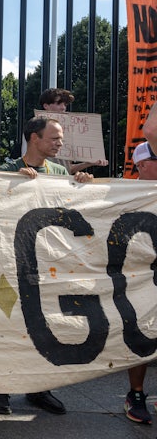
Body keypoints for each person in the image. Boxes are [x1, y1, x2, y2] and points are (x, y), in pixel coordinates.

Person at [0, 116, 92, 416]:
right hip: (9, 261)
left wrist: (83, 185)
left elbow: (72, 205)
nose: (60, 143)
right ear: (34, 138)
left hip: (46, 262)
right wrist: (11, 182)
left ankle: (39, 388)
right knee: (6, 323)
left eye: (61, 138)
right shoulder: (9, 169)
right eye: (54, 138)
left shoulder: (60, 172)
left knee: (44, 323)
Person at [121, 140, 157, 424]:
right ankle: (136, 394)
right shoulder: (123, 193)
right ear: (142, 164)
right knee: (141, 336)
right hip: (139, 277)